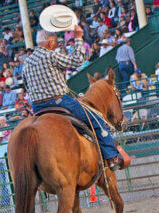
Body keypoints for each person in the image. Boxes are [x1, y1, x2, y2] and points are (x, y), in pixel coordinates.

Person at [22, 28, 125, 169]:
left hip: (37, 107)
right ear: (50, 42)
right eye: (56, 42)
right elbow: (77, 60)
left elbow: (27, 86)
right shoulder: (50, 56)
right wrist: (77, 38)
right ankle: (112, 157)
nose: (56, 44)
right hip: (60, 101)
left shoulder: (27, 62)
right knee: (96, 120)